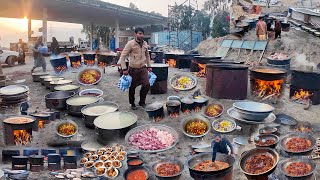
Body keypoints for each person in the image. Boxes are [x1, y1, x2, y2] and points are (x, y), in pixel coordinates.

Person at [120, 27, 152, 110]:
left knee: (147, 85)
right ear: (135, 34)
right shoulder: (130, 44)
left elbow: (147, 56)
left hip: (143, 68)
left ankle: (142, 102)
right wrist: (124, 69)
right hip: (133, 69)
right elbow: (123, 56)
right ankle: (132, 103)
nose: (141, 35)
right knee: (132, 87)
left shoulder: (145, 43)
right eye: (139, 33)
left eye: (142, 34)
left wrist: (149, 66)